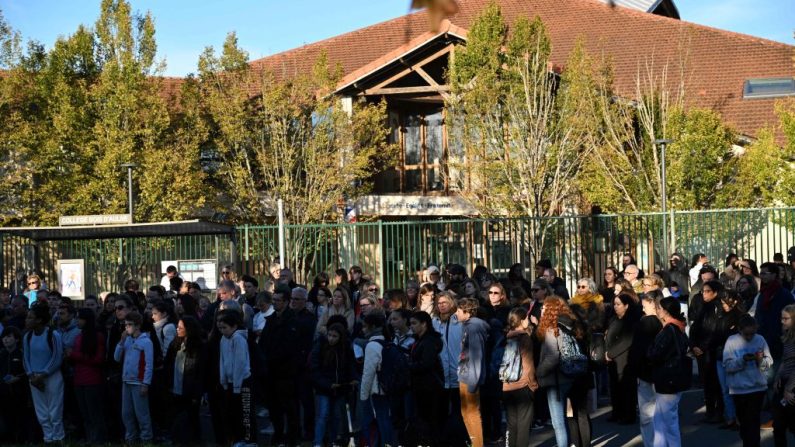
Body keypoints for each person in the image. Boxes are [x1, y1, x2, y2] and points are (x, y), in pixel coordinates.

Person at [535, 296, 582, 447]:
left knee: (558, 422)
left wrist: (539, 372)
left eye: (544, 307)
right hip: (568, 376)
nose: (541, 309)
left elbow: (552, 356)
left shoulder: (552, 329)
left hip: (555, 379)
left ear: (550, 310)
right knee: (565, 418)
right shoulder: (567, 325)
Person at [723, 314, 772, 447]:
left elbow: (767, 364)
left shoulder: (760, 339)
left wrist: (759, 360)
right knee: (744, 424)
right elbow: (727, 366)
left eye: (752, 334)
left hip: (757, 388)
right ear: (739, 330)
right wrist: (742, 360)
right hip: (739, 389)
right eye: (746, 334)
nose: (750, 337)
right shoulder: (731, 341)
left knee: (754, 423)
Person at [648, 297, 691, 447]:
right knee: (660, 420)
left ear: (666, 311)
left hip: (668, 378)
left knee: (668, 421)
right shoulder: (679, 328)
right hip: (674, 377)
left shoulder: (669, 329)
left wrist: (650, 350)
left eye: (659, 308)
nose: (657, 310)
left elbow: (655, 353)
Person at [23, 302, 65, 444]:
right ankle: (48, 438)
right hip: (34, 378)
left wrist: (43, 374)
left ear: (39, 320)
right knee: (41, 411)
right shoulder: (27, 337)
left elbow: (57, 357)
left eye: (30, 317)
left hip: (51, 377)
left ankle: (58, 437)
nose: (27, 320)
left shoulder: (53, 335)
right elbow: (26, 359)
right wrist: (31, 375)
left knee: (55, 409)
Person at [310, 323, 355, 447]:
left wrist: (351, 379)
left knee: (335, 416)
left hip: (339, 388)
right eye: (329, 335)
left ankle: (331, 440)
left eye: (334, 336)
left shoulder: (345, 349)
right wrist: (327, 384)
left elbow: (350, 367)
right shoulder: (320, 347)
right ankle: (318, 442)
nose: (331, 338)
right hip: (324, 388)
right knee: (323, 415)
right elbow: (314, 369)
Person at [164, 316, 207, 446]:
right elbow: (168, 364)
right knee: (176, 416)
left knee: (192, 417)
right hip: (176, 387)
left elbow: (201, 372)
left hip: (190, 389)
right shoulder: (175, 344)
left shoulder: (199, 347)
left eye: (181, 328)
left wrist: (198, 392)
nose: (177, 329)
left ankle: (194, 441)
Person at [629, 289, 664, 447]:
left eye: (644, 305)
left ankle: (651, 444)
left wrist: (633, 369)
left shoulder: (645, 323)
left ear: (652, 304)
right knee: (661, 414)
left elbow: (637, 350)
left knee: (647, 415)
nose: (642, 308)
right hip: (660, 372)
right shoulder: (665, 322)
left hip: (646, 372)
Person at [431, 291, 467, 443]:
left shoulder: (459, 321)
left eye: (445, 302)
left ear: (452, 303)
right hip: (441, 375)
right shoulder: (434, 322)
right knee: (442, 411)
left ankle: (462, 439)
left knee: (460, 410)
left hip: (458, 372)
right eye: (439, 303)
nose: (441, 306)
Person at [217, 310, 256, 446]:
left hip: (243, 381)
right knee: (233, 411)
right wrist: (224, 380)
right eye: (220, 328)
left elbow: (240, 363)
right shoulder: (223, 339)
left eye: (225, 328)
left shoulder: (239, 339)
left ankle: (249, 439)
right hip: (229, 381)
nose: (222, 331)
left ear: (234, 327)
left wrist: (237, 386)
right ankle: (237, 438)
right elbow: (222, 360)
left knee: (245, 411)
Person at [68, 308, 108, 444]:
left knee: (94, 412)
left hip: (92, 380)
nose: (77, 321)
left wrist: (73, 355)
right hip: (79, 379)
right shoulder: (79, 337)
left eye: (80, 318)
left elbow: (98, 359)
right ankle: (90, 438)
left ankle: (98, 439)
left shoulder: (97, 337)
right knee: (85, 413)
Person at [114, 311, 154, 444]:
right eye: (125, 325)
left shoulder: (146, 341)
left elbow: (149, 364)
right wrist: (121, 342)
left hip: (138, 382)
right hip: (126, 381)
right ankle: (131, 437)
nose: (127, 328)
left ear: (137, 326)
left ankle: (146, 438)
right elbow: (116, 357)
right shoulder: (127, 340)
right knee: (126, 413)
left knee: (141, 413)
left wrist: (145, 383)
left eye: (130, 325)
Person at [501, 307, 538, 447]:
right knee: (524, 425)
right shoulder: (524, 338)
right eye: (526, 318)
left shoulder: (508, 337)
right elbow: (528, 365)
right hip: (523, 386)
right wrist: (533, 385)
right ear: (522, 321)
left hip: (507, 385)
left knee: (512, 425)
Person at [690, 280, 726, 423]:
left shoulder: (718, 308)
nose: (704, 294)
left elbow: (715, 331)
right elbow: (695, 327)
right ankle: (710, 411)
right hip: (700, 350)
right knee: (706, 382)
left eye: (707, 291)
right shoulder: (703, 306)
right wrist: (693, 345)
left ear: (715, 292)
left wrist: (703, 347)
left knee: (715, 383)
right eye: (703, 291)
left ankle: (718, 412)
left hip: (711, 350)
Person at [408, 311, 445, 446]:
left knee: (430, 419)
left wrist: (408, 366)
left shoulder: (428, 341)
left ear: (424, 324)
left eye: (414, 323)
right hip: (423, 386)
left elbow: (426, 364)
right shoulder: (420, 340)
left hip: (429, 387)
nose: (411, 326)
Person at [456, 297, 490, 447]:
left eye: (458, 310)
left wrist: (473, 381)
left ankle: (478, 444)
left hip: (470, 377)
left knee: (472, 414)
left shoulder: (473, 328)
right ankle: (474, 442)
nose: (455, 313)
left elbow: (477, 356)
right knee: (466, 413)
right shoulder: (467, 325)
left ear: (467, 312)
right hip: (464, 374)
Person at [360, 312, 396, 447]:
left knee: (382, 419)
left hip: (379, 390)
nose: (362, 330)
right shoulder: (388, 341)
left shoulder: (372, 346)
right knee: (386, 419)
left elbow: (368, 374)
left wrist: (363, 396)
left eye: (364, 327)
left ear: (372, 327)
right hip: (389, 387)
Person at [606, 293, 640, 424]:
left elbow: (627, 340)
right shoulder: (614, 319)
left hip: (624, 359)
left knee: (627, 387)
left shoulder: (631, 321)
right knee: (615, 387)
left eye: (618, 304)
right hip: (612, 359)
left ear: (626, 306)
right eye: (614, 304)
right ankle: (617, 412)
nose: (615, 307)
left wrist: (611, 353)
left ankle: (628, 414)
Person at [713, 290, 745, 430]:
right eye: (722, 302)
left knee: (735, 388)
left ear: (735, 301)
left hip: (734, 355)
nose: (724, 304)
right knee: (725, 389)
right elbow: (717, 334)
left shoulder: (741, 317)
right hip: (721, 354)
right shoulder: (720, 315)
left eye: (726, 302)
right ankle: (730, 418)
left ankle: (738, 418)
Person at [0, 326, 32, 444]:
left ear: (17, 339)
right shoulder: (2, 354)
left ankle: (22, 439)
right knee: (6, 419)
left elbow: (28, 372)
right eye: (4, 337)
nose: (6, 339)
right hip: (3, 394)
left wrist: (18, 378)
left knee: (20, 418)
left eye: (9, 337)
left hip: (19, 393)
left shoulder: (21, 354)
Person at [772, 304, 795, 446]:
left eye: (785, 318)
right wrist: (777, 379)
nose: (782, 321)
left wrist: (789, 388)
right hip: (784, 382)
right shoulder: (787, 337)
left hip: (792, 386)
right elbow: (784, 361)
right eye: (781, 318)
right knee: (778, 426)